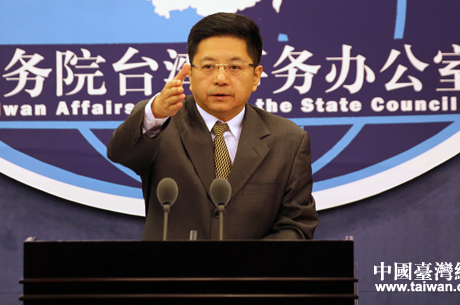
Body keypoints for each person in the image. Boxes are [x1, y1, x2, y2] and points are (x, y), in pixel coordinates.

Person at [107, 12, 318, 240]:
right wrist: (155, 113)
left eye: (234, 67)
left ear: (256, 76)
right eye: (208, 66)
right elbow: (120, 153)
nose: (220, 78)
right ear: (190, 73)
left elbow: (297, 226)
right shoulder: (161, 124)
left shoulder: (288, 140)